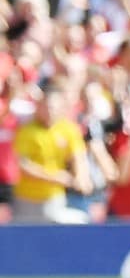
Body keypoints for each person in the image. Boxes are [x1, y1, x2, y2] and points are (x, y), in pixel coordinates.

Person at [12, 88, 91, 224]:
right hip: (27, 197)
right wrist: (55, 177)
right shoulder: (27, 131)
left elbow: (78, 156)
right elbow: (23, 165)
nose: (49, 111)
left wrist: (81, 177)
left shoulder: (68, 129)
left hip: (54, 197)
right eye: (45, 107)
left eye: (53, 107)